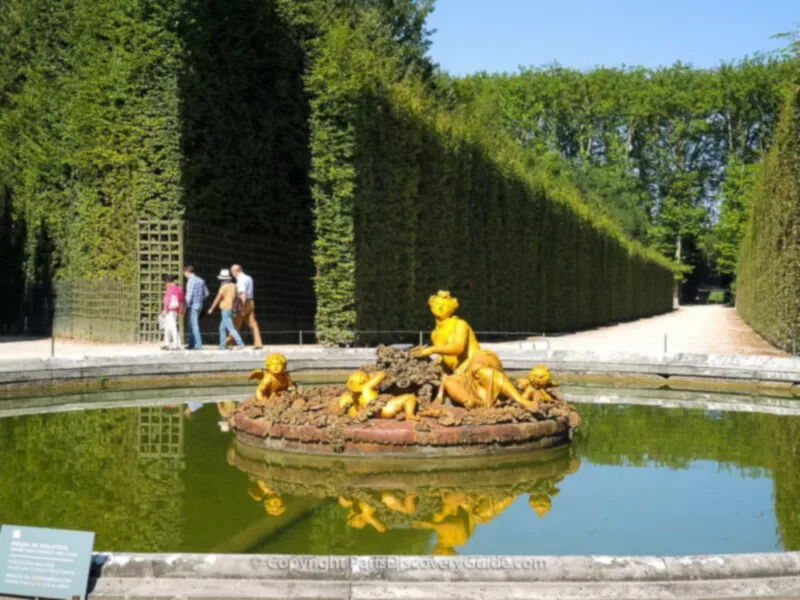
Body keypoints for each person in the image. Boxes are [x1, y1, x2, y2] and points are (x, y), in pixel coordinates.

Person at [227, 264, 263, 349]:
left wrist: (242, 307)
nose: (232, 274)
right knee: (253, 324)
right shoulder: (249, 278)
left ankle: (228, 343)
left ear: (236, 271)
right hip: (250, 302)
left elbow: (243, 294)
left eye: (232, 272)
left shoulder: (240, 280)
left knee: (234, 323)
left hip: (243, 302)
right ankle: (258, 344)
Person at [208, 268, 245, 350]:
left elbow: (218, 298)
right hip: (231, 308)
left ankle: (241, 343)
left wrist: (212, 308)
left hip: (225, 309)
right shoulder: (234, 285)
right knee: (222, 328)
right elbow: (236, 297)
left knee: (231, 328)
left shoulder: (223, 287)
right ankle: (222, 345)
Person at [183, 265, 209, 350]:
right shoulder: (201, 280)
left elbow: (189, 295)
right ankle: (191, 344)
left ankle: (198, 344)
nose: (184, 275)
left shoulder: (191, 281)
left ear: (187, 272)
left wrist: (184, 306)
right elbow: (206, 293)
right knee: (191, 324)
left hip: (193, 305)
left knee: (194, 325)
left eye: (184, 273)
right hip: (200, 304)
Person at [161, 274, 183, 350]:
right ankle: (167, 343)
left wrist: (165, 310)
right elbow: (181, 301)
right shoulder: (178, 289)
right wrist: (180, 310)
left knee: (172, 327)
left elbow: (167, 301)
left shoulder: (170, 289)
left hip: (169, 311)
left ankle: (176, 344)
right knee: (168, 327)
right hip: (175, 310)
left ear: (167, 282)